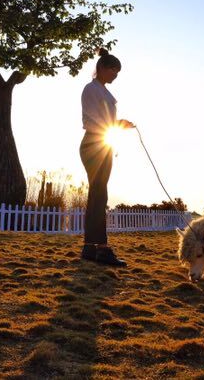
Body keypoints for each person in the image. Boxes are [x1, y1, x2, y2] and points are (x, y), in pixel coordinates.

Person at [79, 48, 134, 266]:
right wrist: (115, 124)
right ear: (101, 68)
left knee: (97, 195)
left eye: (118, 72)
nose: (115, 75)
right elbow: (92, 120)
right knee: (99, 195)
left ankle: (90, 247)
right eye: (113, 70)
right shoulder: (92, 89)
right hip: (94, 143)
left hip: (102, 143)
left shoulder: (101, 90)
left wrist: (119, 124)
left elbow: (104, 119)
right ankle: (101, 248)